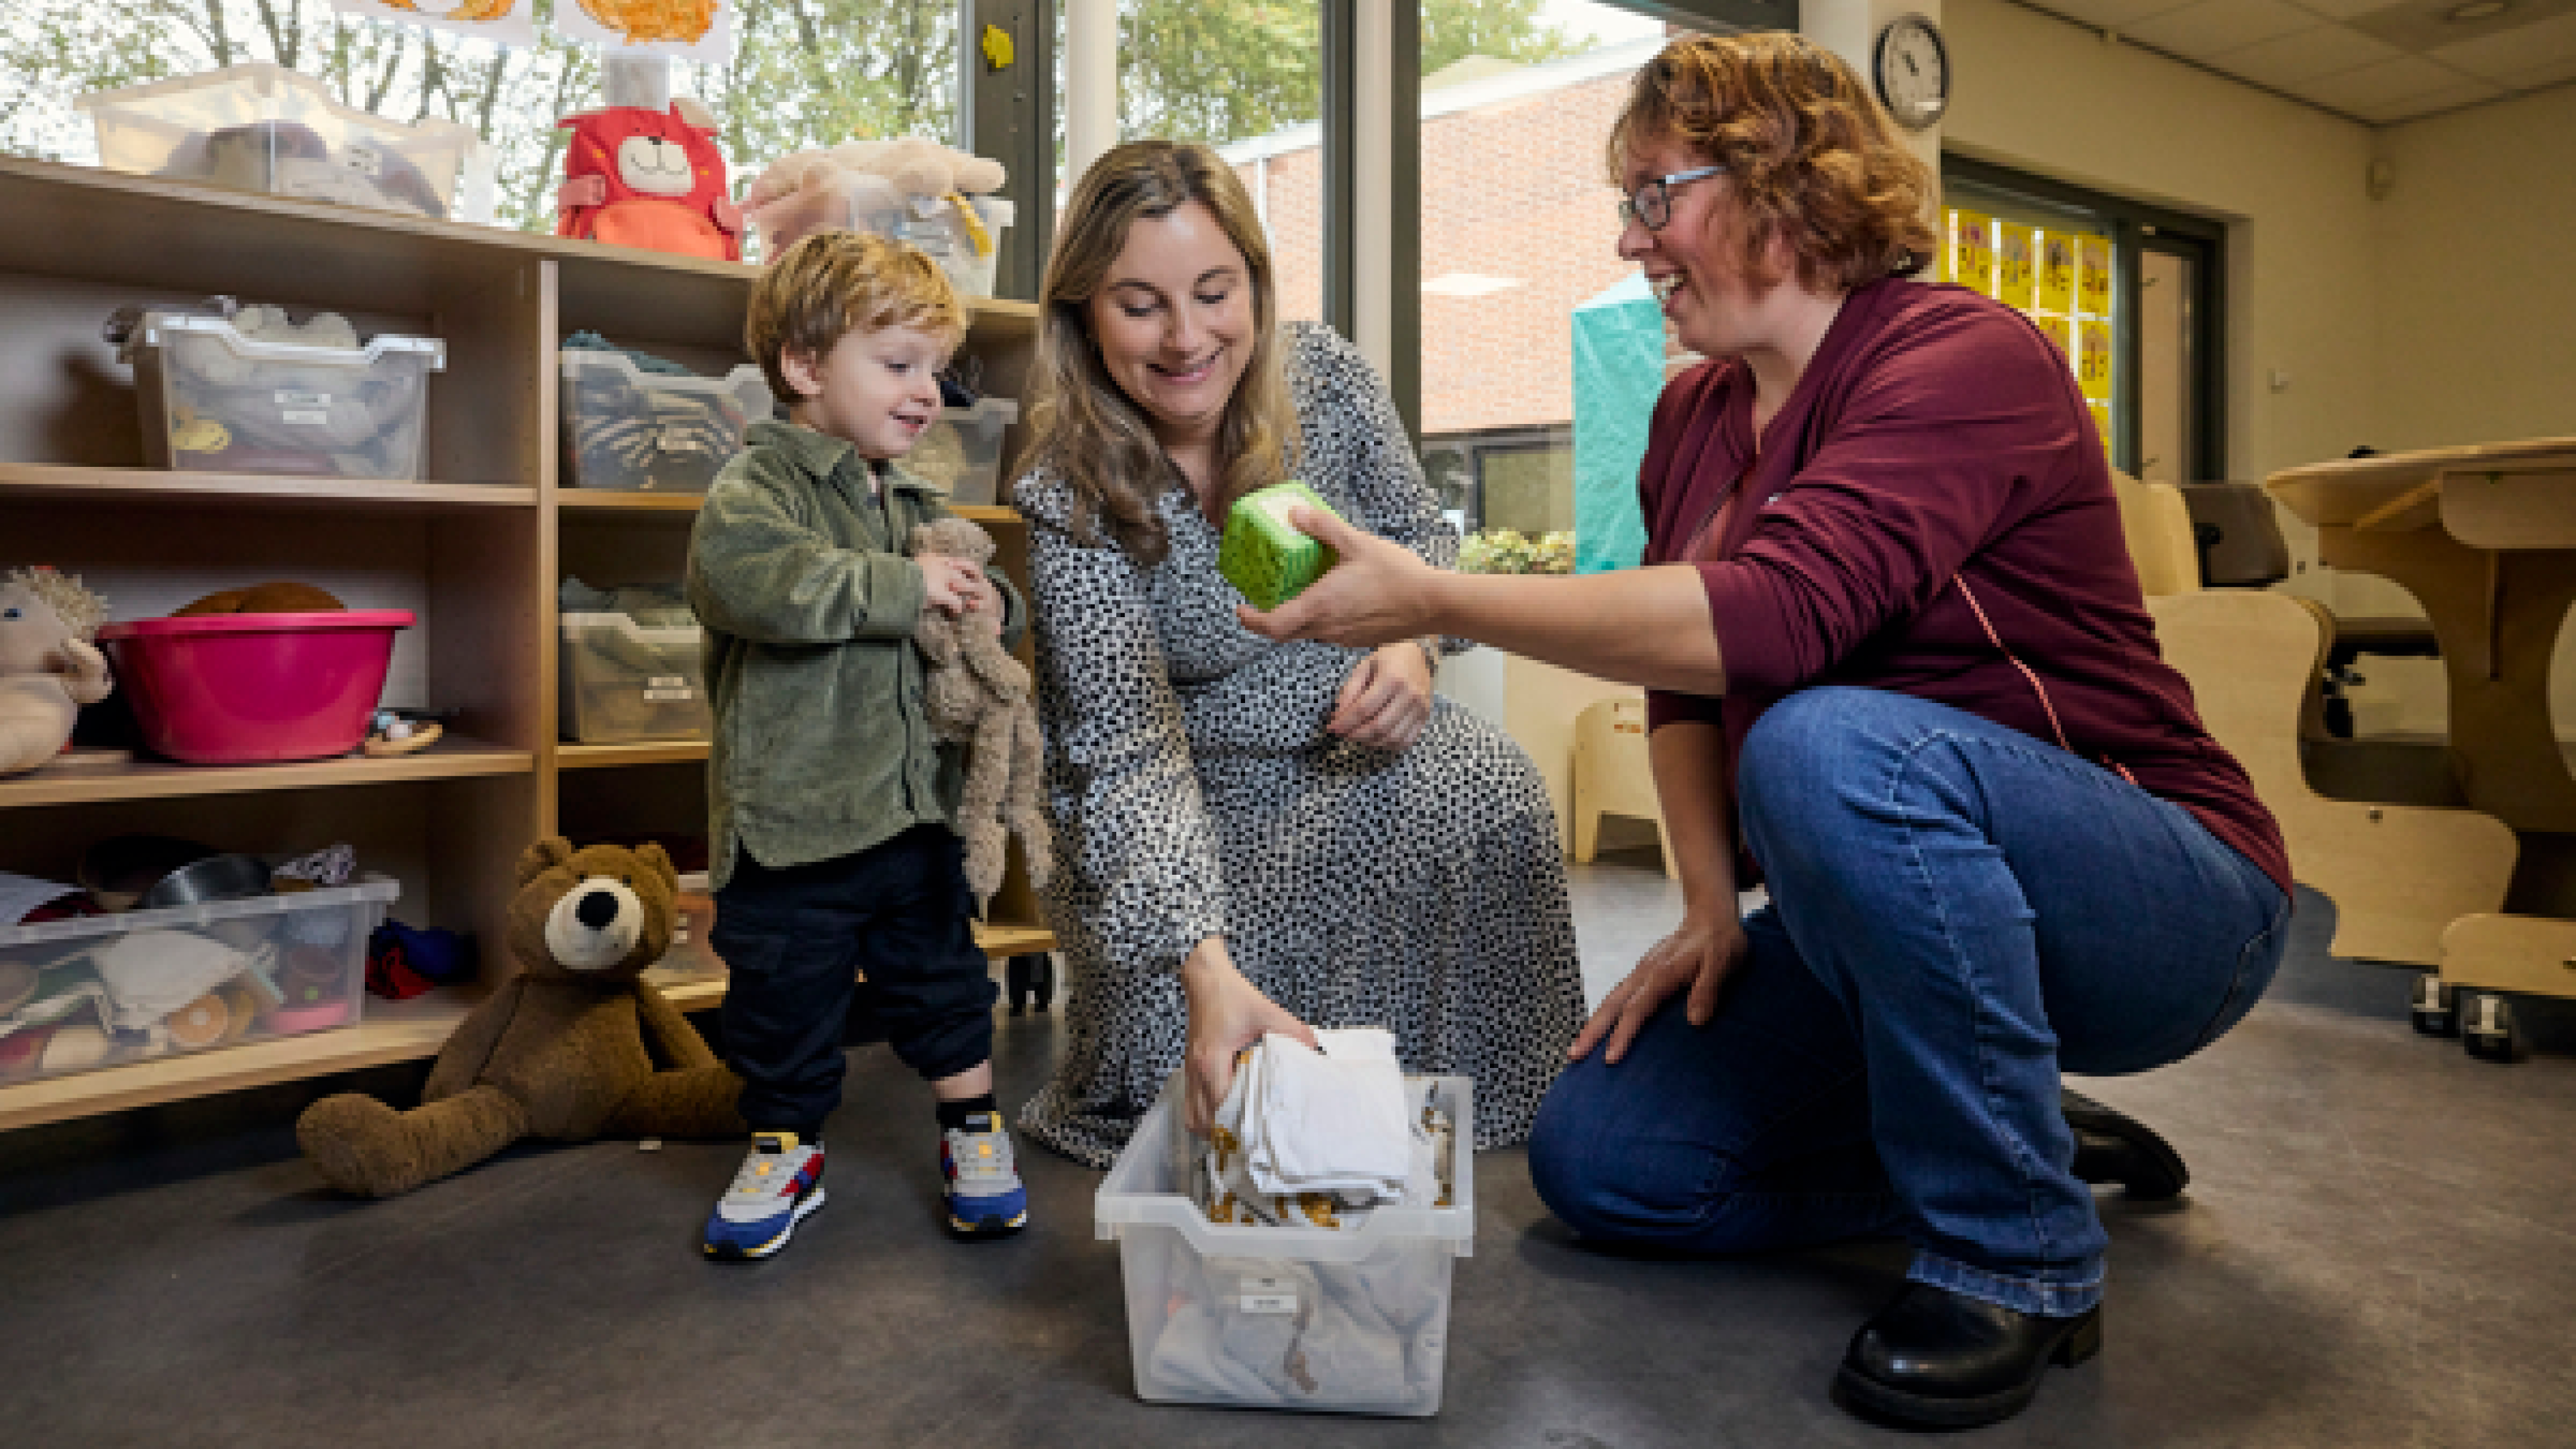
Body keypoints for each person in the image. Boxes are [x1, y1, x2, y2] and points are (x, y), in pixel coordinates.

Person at [1242, 34, 2290, 1432]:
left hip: (2169, 895)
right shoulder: (1693, 415)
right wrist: (1700, 905)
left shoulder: (1965, 356)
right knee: (1606, 1160)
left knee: (1826, 742)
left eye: (1652, 196)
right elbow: (1685, 686)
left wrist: (1431, 598)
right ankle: (2003, 1123)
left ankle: (2017, 1250)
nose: (1631, 241)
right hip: (1905, 902)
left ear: (1776, 188)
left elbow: (1777, 622)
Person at [1008, 140, 1587, 1167]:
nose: (1187, 338)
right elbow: (1122, 761)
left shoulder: (1325, 376)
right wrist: (1202, 965)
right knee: (1183, 1046)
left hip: (1361, 730)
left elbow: (1423, 542)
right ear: (1085, 318)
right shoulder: (1069, 494)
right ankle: (1290, 1100)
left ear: (1258, 290)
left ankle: (1461, 1116)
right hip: (1193, 789)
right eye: (1141, 304)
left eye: (1214, 292)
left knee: (1493, 786)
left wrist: (1412, 643)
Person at [686, 231, 1032, 1256]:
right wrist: (903, 588)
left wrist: (988, 600)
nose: (928, 391)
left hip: (910, 808)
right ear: (802, 366)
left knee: (945, 981)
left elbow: (982, 598)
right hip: (791, 823)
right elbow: (756, 582)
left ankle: (973, 1128)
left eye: (936, 369)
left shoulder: (916, 498)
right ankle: (786, 1147)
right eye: (898, 365)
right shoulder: (757, 490)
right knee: (782, 1001)